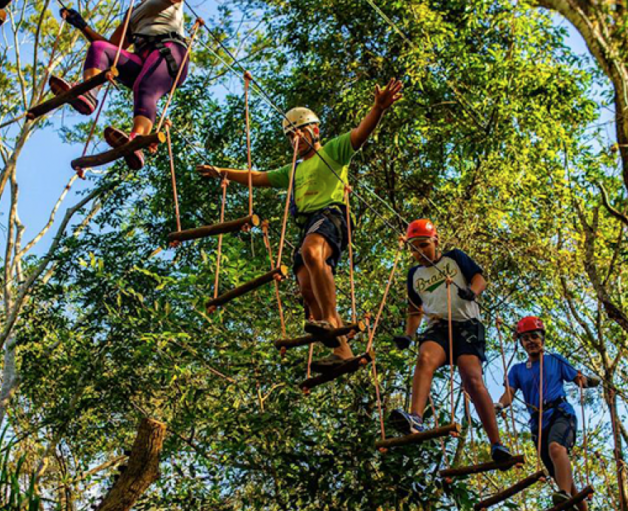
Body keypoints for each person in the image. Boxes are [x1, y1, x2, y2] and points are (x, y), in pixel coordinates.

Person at [197, 79, 404, 372]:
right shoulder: (292, 170)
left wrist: (378, 109)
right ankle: (342, 352)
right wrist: (222, 172)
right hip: (309, 224)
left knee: (311, 252)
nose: (295, 139)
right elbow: (258, 177)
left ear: (315, 130)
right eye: (290, 136)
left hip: (332, 215)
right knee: (307, 289)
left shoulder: (332, 151)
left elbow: (360, 134)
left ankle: (332, 321)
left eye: (300, 132)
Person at [388, 220, 513, 465]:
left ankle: (497, 443)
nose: (420, 252)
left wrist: (472, 293)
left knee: (472, 379)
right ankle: (416, 418)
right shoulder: (415, 275)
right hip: (438, 328)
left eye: (424, 245)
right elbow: (415, 310)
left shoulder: (453, 258)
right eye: (414, 249)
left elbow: (479, 278)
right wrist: (409, 335)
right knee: (424, 359)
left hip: (467, 326)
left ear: (435, 241)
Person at [494, 315, 603, 511]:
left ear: (542, 338)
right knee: (562, 476)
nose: (531, 341)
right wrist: (499, 405)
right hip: (538, 425)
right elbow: (509, 394)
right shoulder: (517, 370)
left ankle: (563, 495)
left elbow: (578, 379)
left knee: (557, 449)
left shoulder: (555, 360)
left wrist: (590, 381)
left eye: (534, 336)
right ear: (521, 343)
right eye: (526, 338)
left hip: (561, 413)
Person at [50, 1, 190, 170]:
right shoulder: (133, 11)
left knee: (145, 87)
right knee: (100, 48)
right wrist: (82, 26)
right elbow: (113, 47)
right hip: (141, 59)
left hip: (169, 53)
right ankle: (89, 93)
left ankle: (138, 139)